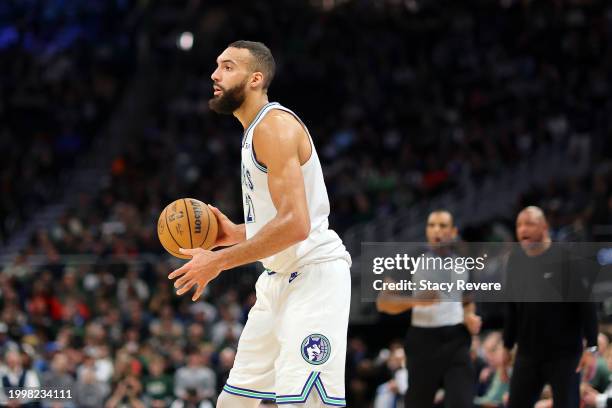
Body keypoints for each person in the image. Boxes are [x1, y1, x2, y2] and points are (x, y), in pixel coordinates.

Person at [168, 41, 351, 407]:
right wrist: (231, 234)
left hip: (314, 279)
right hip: (277, 281)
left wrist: (218, 261)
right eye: (217, 66)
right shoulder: (254, 131)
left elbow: (297, 225)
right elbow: (280, 222)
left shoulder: (274, 128)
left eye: (227, 67)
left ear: (255, 79)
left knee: (304, 403)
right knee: (233, 403)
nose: (214, 74)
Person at [377, 210, 482, 408]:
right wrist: (416, 301)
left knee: (462, 401)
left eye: (442, 226)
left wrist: (470, 317)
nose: (437, 230)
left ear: (453, 231)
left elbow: (467, 301)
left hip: (456, 339)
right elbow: (383, 302)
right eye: (431, 225)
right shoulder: (410, 258)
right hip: (423, 340)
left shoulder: (465, 261)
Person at [502, 206, 598, 408]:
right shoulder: (515, 261)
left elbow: (586, 306)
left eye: (529, 223)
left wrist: (591, 347)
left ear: (544, 226)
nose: (522, 229)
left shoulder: (566, 259)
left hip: (564, 354)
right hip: (528, 353)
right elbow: (511, 307)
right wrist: (506, 346)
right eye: (519, 224)